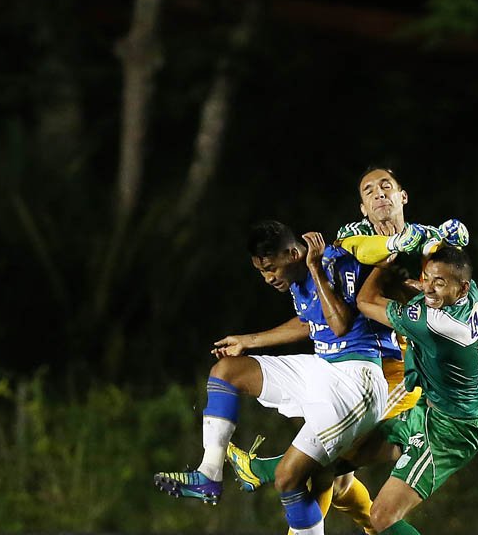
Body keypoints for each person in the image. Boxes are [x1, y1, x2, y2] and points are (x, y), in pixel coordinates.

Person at [224, 166, 469, 534]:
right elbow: (322, 316)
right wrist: (250, 340)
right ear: (362, 208)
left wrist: (431, 264)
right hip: (355, 369)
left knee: (319, 466)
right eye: (369, 191)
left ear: (403, 196)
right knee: (337, 483)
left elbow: (450, 287)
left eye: (387, 187)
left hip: (400, 369)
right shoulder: (353, 241)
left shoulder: (429, 246)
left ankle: (265, 468)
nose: (379, 194)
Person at [153, 220, 419, 535]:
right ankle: (209, 473)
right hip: (325, 368)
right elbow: (310, 323)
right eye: (261, 271)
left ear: (292, 254)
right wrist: (247, 341)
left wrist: (318, 269)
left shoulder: (332, 261)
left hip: (360, 381)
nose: (267, 278)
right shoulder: (298, 277)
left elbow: (340, 325)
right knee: (228, 371)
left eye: (270, 269)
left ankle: (259, 470)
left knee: (295, 477)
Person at [348, 242, 478, 535]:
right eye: (428, 279)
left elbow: (365, 300)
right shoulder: (471, 292)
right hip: (429, 411)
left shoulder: (437, 323)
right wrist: (421, 284)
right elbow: (435, 283)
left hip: (449, 431)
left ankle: (265, 473)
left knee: (382, 517)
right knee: (345, 453)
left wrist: (384, 259)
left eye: (440, 283)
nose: (430, 289)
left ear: (460, 289)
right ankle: (264, 470)